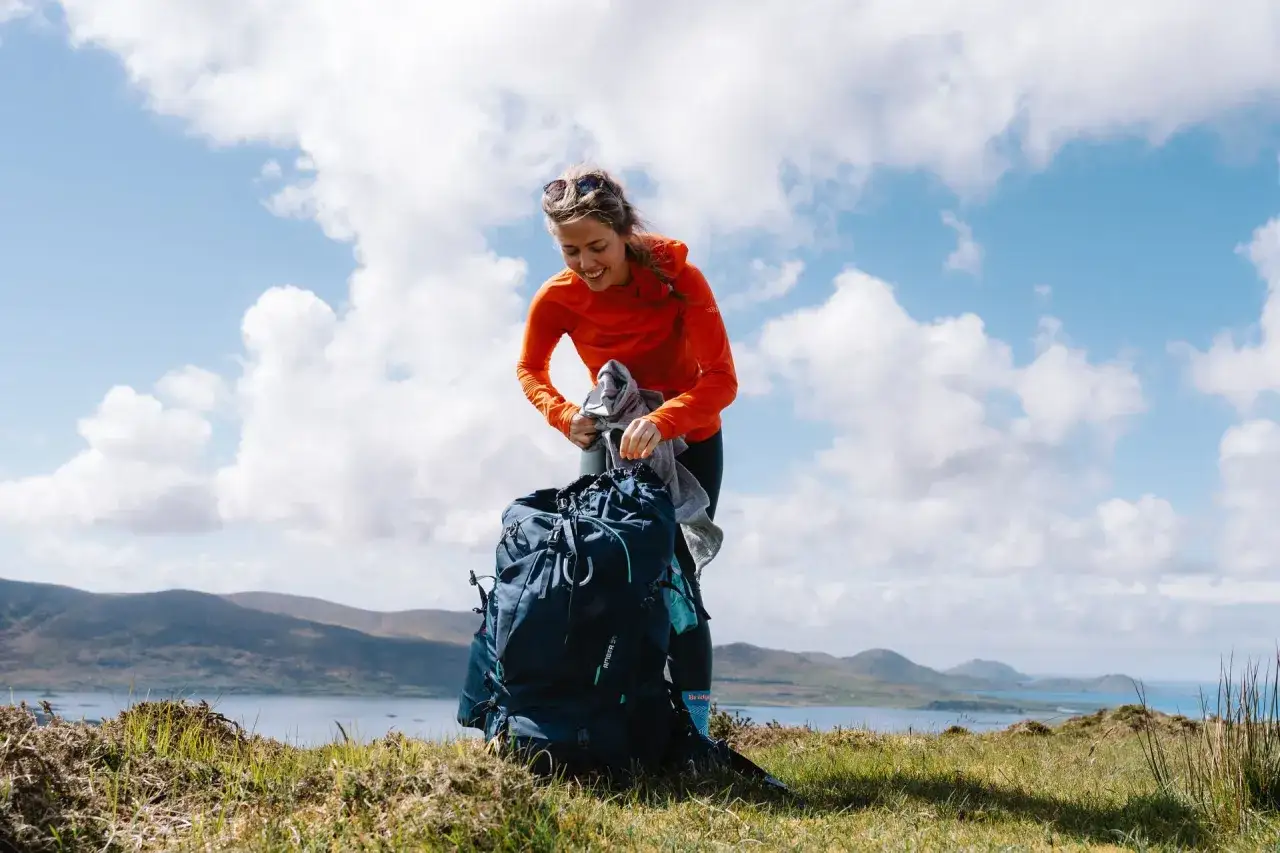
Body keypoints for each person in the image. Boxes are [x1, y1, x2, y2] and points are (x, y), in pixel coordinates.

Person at [515, 165, 737, 736]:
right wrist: (564, 416)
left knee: (675, 576)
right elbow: (530, 369)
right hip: (611, 435)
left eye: (598, 247)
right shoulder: (557, 298)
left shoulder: (676, 277)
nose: (586, 263)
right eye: (570, 251)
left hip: (689, 438)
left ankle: (695, 732)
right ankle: (609, 720)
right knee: (595, 567)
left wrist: (662, 421)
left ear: (623, 232)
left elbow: (721, 380)